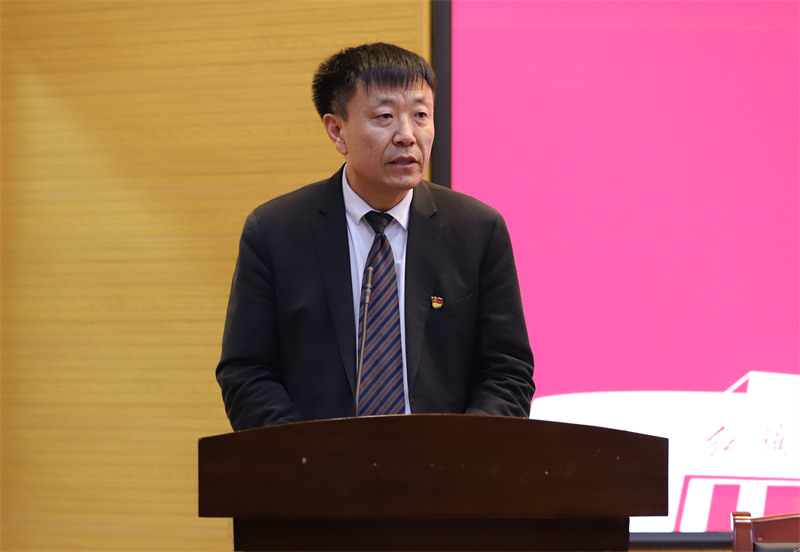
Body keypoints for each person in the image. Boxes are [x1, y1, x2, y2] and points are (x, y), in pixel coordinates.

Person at [216, 43, 534, 430]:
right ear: (337, 131)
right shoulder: (275, 231)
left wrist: (460, 454)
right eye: (385, 116)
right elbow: (247, 372)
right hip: (314, 462)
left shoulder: (477, 230)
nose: (407, 135)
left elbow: (507, 372)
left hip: (446, 461)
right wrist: (305, 456)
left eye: (420, 115)